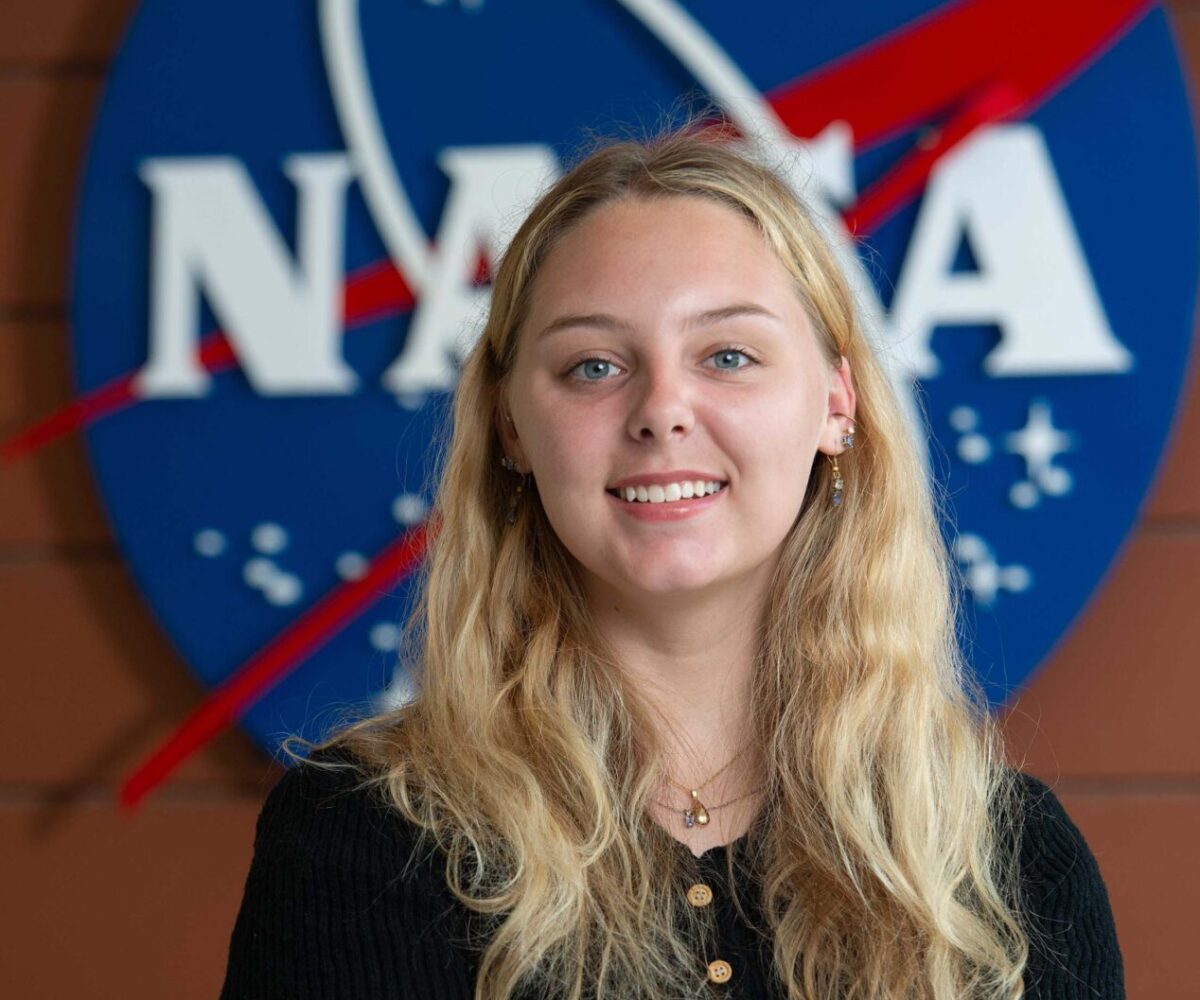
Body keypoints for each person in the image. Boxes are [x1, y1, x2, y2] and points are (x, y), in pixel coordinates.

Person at [219, 123, 1125, 999]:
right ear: (510, 429)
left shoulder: (1011, 866)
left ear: (835, 406)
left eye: (728, 355)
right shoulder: (364, 840)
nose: (662, 410)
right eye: (592, 366)